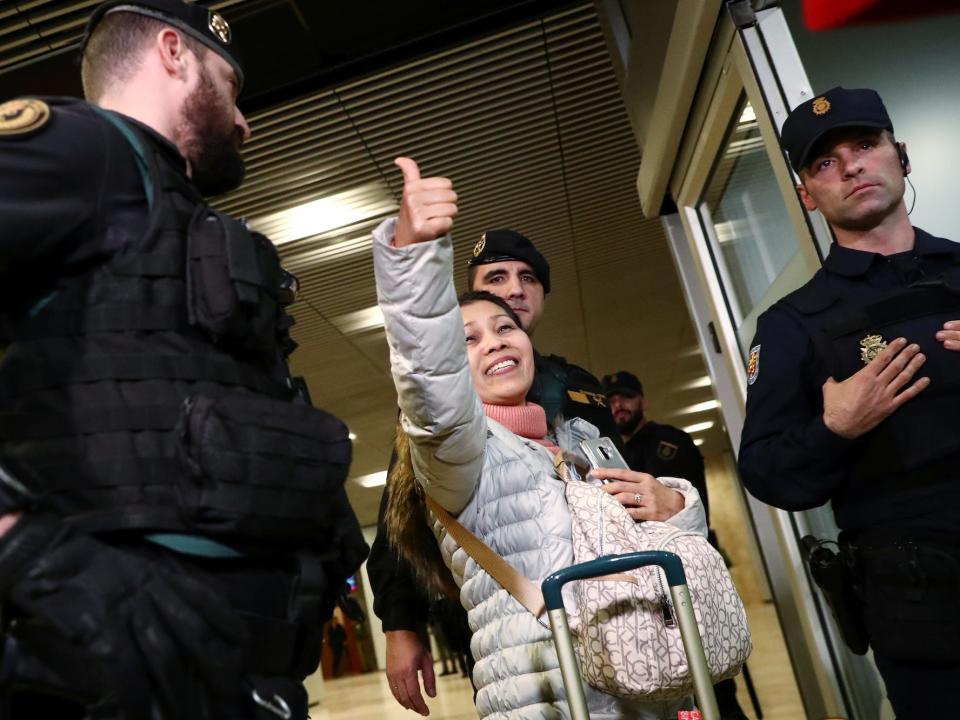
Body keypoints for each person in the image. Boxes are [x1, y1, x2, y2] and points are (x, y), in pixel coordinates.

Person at [0, 2, 367, 718]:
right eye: (229, 84)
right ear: (173, 52)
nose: (243, 120)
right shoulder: (89, 150)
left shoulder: (166, 213)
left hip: (221, 675)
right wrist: (23, 550)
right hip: (105, 671)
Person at [373, 156, 706, 718]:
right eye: (471, 336)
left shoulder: (574, 422)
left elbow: (637, 527)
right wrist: (413, 261)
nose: (500, 335)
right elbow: (428, 380)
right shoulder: (455, 442)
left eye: (505, 326)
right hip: (546, 690)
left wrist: (675, 504)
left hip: (633, 676)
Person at [738, 86, 960, 718]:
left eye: (865, 144)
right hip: (925, 606)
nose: (853, 165)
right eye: (824, 162)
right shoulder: (793, 323)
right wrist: (834, 427)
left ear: (902, 155)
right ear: (808, 195)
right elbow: (766, 469)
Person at [603, 371, 748, 720]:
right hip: (642, 585)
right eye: (611, 400)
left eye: (626, 396)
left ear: (643, 401)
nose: (618, 405)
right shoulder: (610, 451)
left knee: (712, 686)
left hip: (683, 573)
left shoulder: (669, 443)